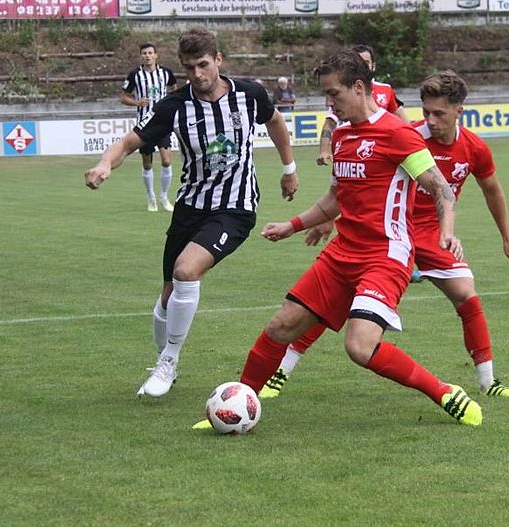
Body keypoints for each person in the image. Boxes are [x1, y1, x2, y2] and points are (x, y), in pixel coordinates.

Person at [238, 51, 483, 426]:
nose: (329, 103)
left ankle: (444, 392)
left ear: (357, 87)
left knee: (359, 346)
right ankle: (240, 403)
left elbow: (441, 189)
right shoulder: (341, 136)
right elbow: (335, 199)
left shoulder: (397, 134)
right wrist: (292, 225)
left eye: (333, 93)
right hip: (342, 253)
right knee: (281, 326)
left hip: (385, 255)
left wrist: (446, 232)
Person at [260, 70, 509, 400]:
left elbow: (491, 190)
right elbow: (357, 188)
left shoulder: (474, 148)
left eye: (439, 113)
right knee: (332, 301)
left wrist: (506, 238)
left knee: (465, 294)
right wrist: (326, 220)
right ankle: (282, 370)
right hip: (391, 233)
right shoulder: (407, 135)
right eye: (426, 112)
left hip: (431, 235)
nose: (431, 120)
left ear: (460, 110)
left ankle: (488, 382)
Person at [86, 27, 299, 398]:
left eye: (203, 64)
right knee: (167, 297)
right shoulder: (174, 106)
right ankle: (163, 359)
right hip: (190, 207)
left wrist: (289, 169)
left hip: (235, 207)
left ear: (218, 60)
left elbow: (276, 121)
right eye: (189, 67)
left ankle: (168, 360)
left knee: (187, 271)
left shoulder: (249, 94)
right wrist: (105, 164)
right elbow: (129, 142)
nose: (197, 74)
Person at [316, 44, 409, 167]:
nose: (329, 102)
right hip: (352, 146)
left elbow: (401, 117)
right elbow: (329, 123)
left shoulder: (386, 90)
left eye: (365, 62)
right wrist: (324, 150)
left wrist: (409, 136)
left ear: (373, 66)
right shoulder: (340, 133)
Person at [121, 43, 178, 212]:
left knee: (167, 161)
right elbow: (124, 97)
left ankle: (164, 197)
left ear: (156, 55)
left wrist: (170, 103)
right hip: (144, 125)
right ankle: (151, 197)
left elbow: (174, 90)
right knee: (147, 164)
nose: (147, 55)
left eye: (150, 53)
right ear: (141, 56)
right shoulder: (135, 75)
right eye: (144, 53)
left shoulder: (166, 72)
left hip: (163, 122)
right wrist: (137, 102)